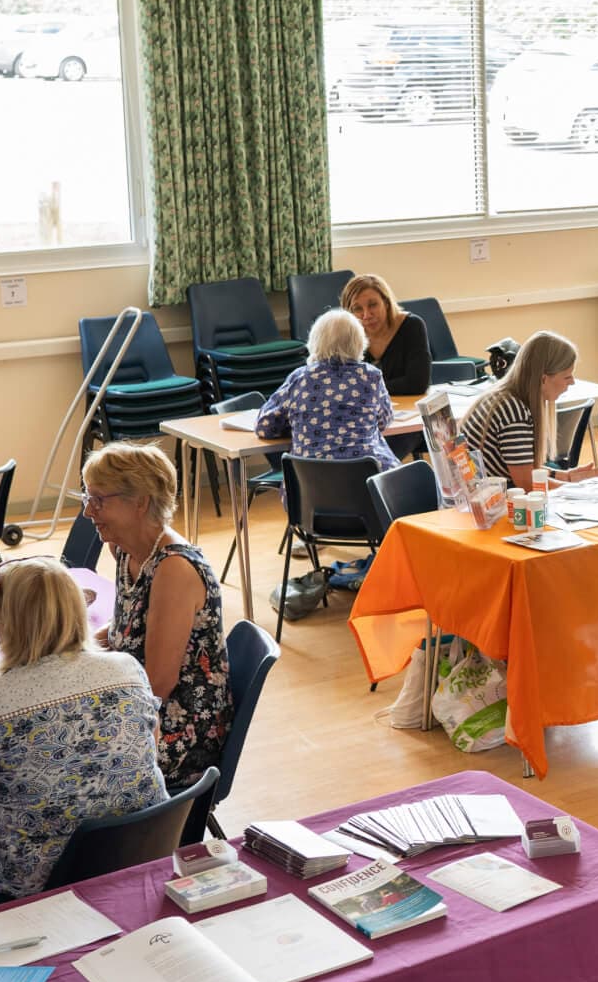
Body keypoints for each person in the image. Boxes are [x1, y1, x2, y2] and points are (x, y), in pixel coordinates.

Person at [0, 557, 168, 909]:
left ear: (6, 623)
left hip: (32, 890)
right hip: (141, 857)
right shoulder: (127, 669)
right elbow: (148, 749)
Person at [82, 442, 231, 790]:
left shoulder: (174, 569)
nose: (89, 511)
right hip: (144, 706)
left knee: (58, 752)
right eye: (87, 498)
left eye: (99, 500)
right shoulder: (124, 549)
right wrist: (71, 652)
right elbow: (125, 629)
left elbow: (158, 684)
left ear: (140, 502)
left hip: (180, 730)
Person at [255, 309, 400, 470]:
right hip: (367, 484)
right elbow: (384, 419)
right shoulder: (371, 376)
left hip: (309, 488)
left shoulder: (300, 378)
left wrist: (300, 424)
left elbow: (264, 427)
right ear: (359, 342)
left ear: (315, 341)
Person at [458, 331, 598, 486]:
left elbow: (523, 467)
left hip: (486, 495)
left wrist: (563, 476)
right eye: (567, 377)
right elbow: (527, 484)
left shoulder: (505, 396)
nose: (572, 382)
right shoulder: (514, 413)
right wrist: (577, 489)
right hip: (490, 501)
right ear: (544, 379)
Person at [341, 272, 432, 396]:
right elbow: (342, 384)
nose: (367, 315)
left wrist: (365, 389)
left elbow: (417, 384)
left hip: (408, 406)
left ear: (387, 303)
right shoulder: (347, 333)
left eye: (373, 305)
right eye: (358, 309)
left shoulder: (412, 325)